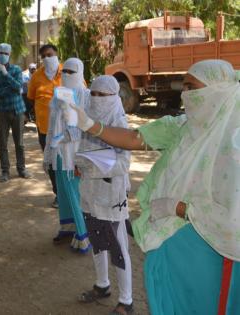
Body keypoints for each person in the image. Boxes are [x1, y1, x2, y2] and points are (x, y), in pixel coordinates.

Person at [67, 60, 240, 315]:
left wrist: (179, 207)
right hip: (173, 237)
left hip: (214, 248)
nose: (185, 94)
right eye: (184, 87)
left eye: (192, 87)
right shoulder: (183, 127)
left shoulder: (234, 142)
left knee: (207, 301)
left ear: (219, 91)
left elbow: (233, 215)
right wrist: (91, 126)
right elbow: (135, 138)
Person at [75, 76, 133, 315]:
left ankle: (127, 301)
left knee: (118, 246)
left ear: (114, 97)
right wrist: (80, 163)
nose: (97, 99)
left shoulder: (120, 123)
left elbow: (124, 163)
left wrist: (92, 166)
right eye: (94, 94)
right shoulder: (87, 118)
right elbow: (81, 149)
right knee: (97, 242)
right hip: (89, 192)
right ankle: (102, 285)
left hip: (111, 195)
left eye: (103, 95)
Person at [43, 58, 91, 252]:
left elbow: (89, 126)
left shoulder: (86, 96)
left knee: (76, 193)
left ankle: (84, 235)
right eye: (65, 71)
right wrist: (48, 153)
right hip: (59, 153)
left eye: (72, 72)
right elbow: (50, 127)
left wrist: (67, 136)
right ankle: (68, 227)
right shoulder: (57, 96)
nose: (67, 75)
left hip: (75, 154)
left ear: (80, 72)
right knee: (63, 193)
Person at [0, 43, 31, 182]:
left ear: (10, 55)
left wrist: (6, 76)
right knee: (3, 143)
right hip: (2, 112)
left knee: (19, 143)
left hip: (18, 110)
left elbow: (19, 86)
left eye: (6, 54)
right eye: (1, 53)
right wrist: (12, 88)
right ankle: (5, 171)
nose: (3, 56)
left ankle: (21, 169)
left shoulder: (16, 69)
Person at [27, 44, 62, 209]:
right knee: (51, 164)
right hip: (45, 129)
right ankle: (58, 194)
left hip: (66, 130)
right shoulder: (36, 77)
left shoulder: (68, 71)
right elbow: (31, 98)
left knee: (67, 162)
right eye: (44, 56)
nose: (47, 58)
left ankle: (71, 193)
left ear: (57, 54)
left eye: (50, 54)